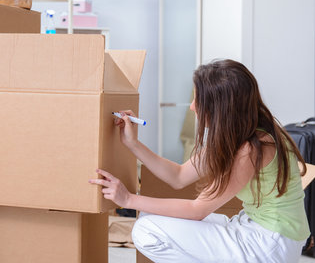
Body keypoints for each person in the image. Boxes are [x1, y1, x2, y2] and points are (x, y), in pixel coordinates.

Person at [90, 59, 310, 263]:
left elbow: (197, 210)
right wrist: (132, 143)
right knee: (150, 215)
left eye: (198, 100)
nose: (193, 107)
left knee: (145, 230)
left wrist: (128, 199)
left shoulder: (251, 148)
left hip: (270, 244)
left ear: (220, 108)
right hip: (256, 229)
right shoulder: (239, 133)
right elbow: (178, 176)